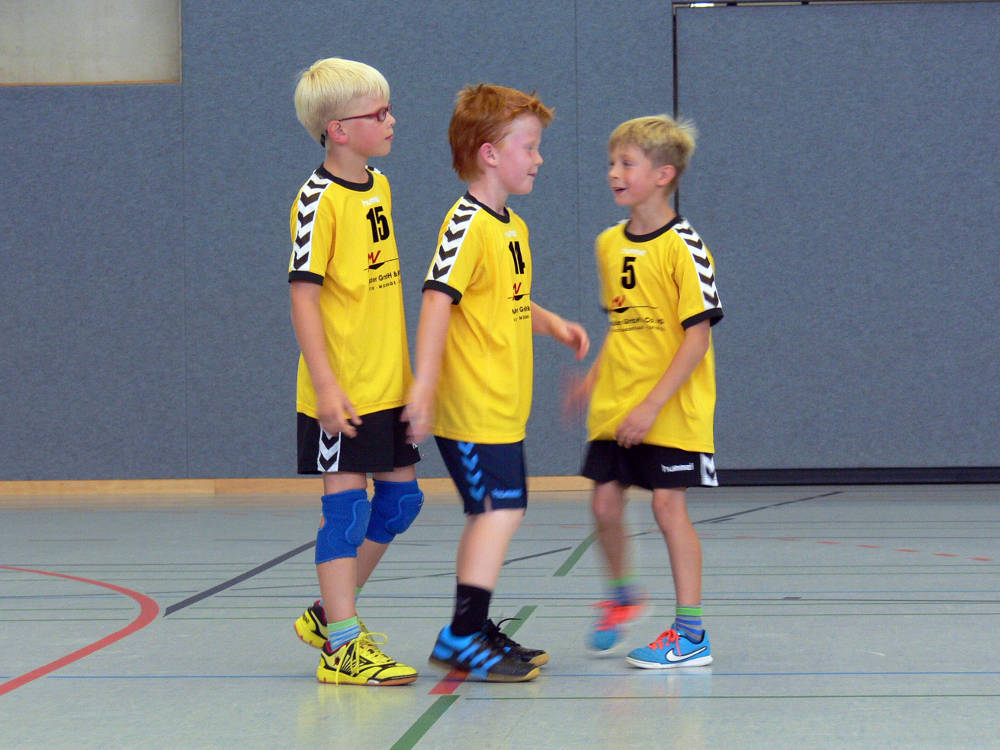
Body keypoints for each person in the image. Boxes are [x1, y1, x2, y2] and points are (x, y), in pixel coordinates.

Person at [404, 84, 590, 682]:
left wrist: (552, 323)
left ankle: (470, 627)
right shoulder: (465, 225)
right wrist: (424, 387)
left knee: (498, 510)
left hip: (503, 407)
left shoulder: (512, 227)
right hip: (470, 406)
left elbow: (504, 300)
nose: (538, 159)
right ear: (489, 153)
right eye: (528, 147)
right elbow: (437, 300)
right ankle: (462, 635)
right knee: (497, 511)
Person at [287, 57, 423, 686]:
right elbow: (304, 297)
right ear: (338, 129)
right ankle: (343, 645)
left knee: (400, 502)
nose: (391, 120)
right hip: (340, 390)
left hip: (387, 382)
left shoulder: (380, 185)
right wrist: (325, 386)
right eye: (379, 113)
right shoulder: (316, 202)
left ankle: (326, 614)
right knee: (344, 513)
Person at [569, 114, 722, 668]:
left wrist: (653, 405)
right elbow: (623, 320)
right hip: (618, 402)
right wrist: (594, 378)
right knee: (604, 502)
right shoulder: (608, 244)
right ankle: (623, 595)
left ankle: (691, 633)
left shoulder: (685, 247)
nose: (614, 173)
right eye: (611, 162)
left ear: (663, 174)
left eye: (626, 163)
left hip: (672, 406)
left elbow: (697, 339)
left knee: (666, 506)